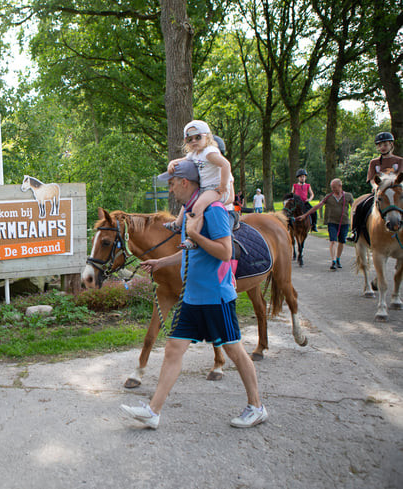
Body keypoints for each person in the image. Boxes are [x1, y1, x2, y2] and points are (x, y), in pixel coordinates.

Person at [121, 160, 267, 430]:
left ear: (186, 183)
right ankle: (153, 411)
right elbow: (192, 250)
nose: (171, 187)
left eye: (173, 182)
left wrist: (194, 236)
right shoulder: (190, 211)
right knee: (173, 350)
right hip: (193, 296)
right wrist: (161, 263)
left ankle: (256, 407)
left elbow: (225, 251)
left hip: (215, 296)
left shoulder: (212, 211)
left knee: (235, 351)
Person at [163, 120, 235, 250]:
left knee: (198, 206)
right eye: (189, 139)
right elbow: (184, 159)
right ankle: (178, 224)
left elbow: (226, 165)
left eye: (198, 137)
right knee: (189, 203)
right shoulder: (196, 154)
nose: (194, 141)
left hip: (216, 190)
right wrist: (172, 163)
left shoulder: (209, 152)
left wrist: (223, 186)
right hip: (205, 189)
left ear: (206, 136)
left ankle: (193, 237)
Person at [298, 178, 354, 271]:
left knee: (341, 242)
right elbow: (318, 206)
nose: (333, 189)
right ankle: (333, 261)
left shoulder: (348, 196)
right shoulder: (329, 197)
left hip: (344, 222)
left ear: (340, 186)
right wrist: (305, 215)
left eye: (334, 187)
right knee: (333, 241)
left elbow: (354, 207)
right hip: (332, 222)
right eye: (332, 187)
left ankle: (338, 258)